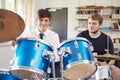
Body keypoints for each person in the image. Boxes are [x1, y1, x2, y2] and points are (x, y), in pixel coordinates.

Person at [11, 9, 60, 79]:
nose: (43, 23)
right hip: (33, 65)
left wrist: (49, 55)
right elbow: (20, 50)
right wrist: (14, 45)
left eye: (46, 20)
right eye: (41, 20)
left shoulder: (54, 36)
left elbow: (57, 56)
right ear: (36, 20)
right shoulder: (29, 34)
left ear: (49, 22)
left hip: (49, 65)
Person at [76, 13, 115, 79]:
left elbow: (113, 60)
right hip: (84, 67)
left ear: (100, 25)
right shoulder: (80, 36)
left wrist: (105, 64)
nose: (91, 26)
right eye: (89, 23)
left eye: (94, 23)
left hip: (102, 67)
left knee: (117, 72)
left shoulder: (107, 39)